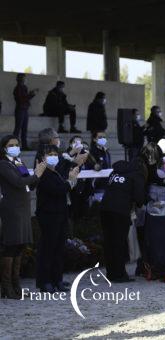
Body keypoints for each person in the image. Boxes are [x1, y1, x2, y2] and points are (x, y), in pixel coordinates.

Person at [0, 135, 46, 298]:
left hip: (24, 207)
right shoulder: (3, 164)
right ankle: (6, 287)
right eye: (11, 145)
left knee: (20, 245)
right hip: (12, 208)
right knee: (11, 245)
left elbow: (30, 184)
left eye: (17, 144)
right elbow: (18, 182)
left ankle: (16, 285)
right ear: (4, 147)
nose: (15, 147)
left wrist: (38, 174)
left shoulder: (19, 162)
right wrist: (37, 174)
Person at [35, 144, 79, 293]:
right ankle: (45, 281)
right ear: (42, 158)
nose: (53, 157)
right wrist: (71, 181)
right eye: (49, 154)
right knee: (48, 249)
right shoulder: (43, 174)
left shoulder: (56, 172)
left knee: (59, 248)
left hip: (60, 214)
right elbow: (57, 190)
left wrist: (70, 180)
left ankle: (57, 279)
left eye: (55, 154)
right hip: (48, 216)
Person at [99, 156, 147, 282]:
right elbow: (139, 198)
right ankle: (120, 275)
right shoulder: (137, 175)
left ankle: (111, 273)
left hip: (105, 209)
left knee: (109, 243)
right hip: (120, 211)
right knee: (119, 243)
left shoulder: (115, 172)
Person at [13, 73, 38, 149]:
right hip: (20, 110)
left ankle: (24, 145)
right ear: (20, 79)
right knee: (18, 129)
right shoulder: (18, 88)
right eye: (23, 78)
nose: (25, 80)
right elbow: (22, 100)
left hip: (24, 110)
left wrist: (31, 94)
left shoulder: (24, 87)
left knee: (24, 129)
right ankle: (13, 145)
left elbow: (25, 98)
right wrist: (31, 94)